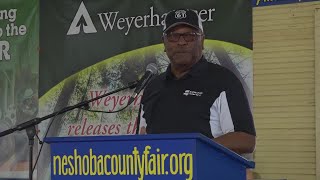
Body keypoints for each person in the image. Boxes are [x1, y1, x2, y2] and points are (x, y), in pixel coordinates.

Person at [138, 8, 255, 162]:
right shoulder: (152, 87)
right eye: (173, 36)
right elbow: (143, 135)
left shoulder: (223, 80)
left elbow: (246, 140)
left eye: (190, 35)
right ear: (164, 43)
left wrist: (192, 150)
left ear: (202, 40)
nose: (181, 42)